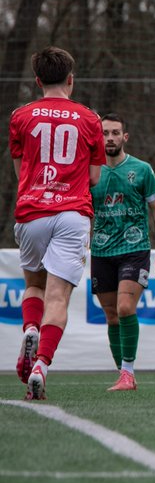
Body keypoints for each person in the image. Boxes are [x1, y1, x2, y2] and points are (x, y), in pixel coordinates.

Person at [10, 47, 104, 401]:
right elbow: (94, 178)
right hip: (72, 214)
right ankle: (42, 365)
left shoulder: (21, 115)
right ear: (71, 79)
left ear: (37, 81)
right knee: (58, 297)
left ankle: (31, 327)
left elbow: (21, 172)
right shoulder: (89, 118)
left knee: (33, 286)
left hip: (32, 211)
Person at [90, 113, 155, 392]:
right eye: (104, 133)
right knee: (111, 315)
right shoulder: (89, 172)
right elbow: (82, 211)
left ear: (125, 137)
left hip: (134, 249)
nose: (109, 138)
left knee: (126, 307)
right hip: (101, 250)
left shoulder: (142, 169)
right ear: (97, 137)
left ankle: (128, 373)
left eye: (115, 133)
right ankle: (124, 374)